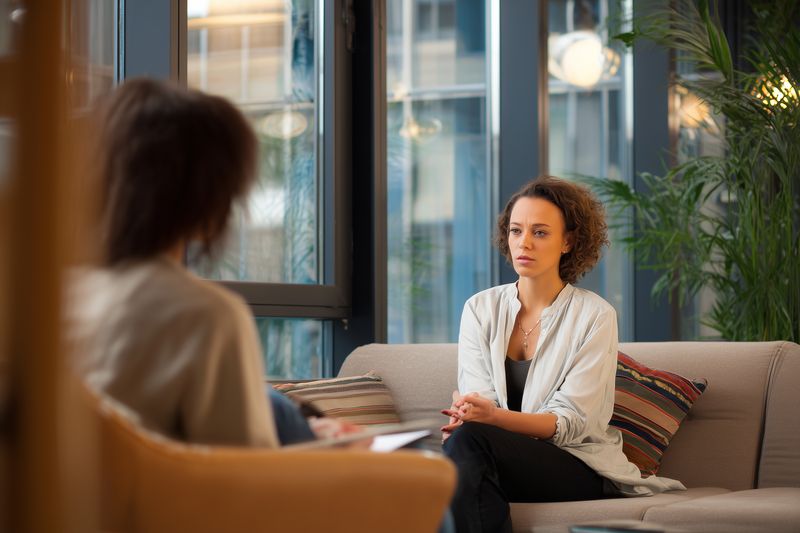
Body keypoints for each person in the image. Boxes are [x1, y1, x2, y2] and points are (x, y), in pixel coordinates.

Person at [67, 78, 351, 448]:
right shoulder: (205, 316)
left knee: (278, 407)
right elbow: (247, 481)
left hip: (85, 502)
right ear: (210, 197)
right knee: (410, 476)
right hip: (173, 503)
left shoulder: (55, 299)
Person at [440, 176, 685, 533]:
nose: (524, 243)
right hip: (498, 455)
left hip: (576, 464)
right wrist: (471, 411)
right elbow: (482, 400)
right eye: (515, 231)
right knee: (461, 450)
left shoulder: (595, 315)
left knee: (466, 447)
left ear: (568, 241)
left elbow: (569, 423)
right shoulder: (480, 308)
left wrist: (488, 418)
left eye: (540, 232)